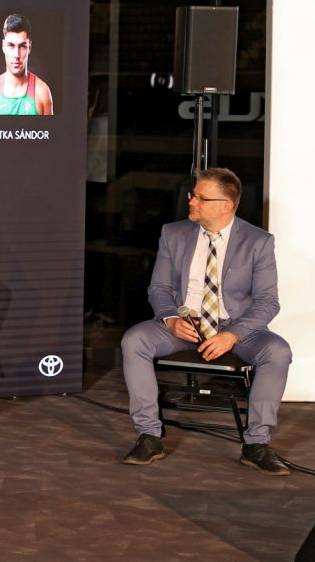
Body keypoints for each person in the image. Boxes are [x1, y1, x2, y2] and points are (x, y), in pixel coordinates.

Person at [119, 167, 293, 475]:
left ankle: (256, 444)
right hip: (185, 325)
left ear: (226, 205)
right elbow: (159, 288)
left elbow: (268, 302)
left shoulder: (258, 241)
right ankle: (149, 435)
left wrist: (233, 335)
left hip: (235, 329)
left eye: (201, 197)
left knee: (278, 351)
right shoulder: (173, 233)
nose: (191, 201)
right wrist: (171, 319)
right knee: (134, 340)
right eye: (193, 195)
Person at [0, 13, 53, 116]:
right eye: (11, 45)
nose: (16, 55)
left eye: (22, 46)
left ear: (29, 48)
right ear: (3, 46)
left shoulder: (42, 92)